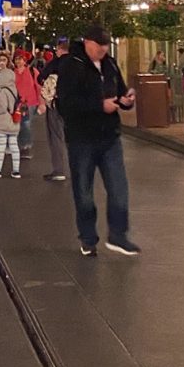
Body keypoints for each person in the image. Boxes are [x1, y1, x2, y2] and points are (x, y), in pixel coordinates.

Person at [55, 25, 139, 256]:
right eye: (99, 45)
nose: (103, 50)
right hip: (82, 138)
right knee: (83, 191)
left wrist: (126, 100)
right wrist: (98, 106)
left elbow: (120, 91)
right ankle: (88, 238)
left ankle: (118, 236)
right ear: (87, 43)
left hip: (109, 136)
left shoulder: (110, 64)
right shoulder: (72, 66)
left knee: (119, 187)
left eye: (106, 46)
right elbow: (66, 104)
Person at [37, 41, 70, 182]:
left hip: (57, 104)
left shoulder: (55, 63)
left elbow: (40, 78)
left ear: (60, 50)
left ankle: (59, 170)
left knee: (56, 136)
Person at [0, 52, 22, 178]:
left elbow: (2, 108)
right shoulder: (15, 90)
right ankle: (16, 170)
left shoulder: (3, 92)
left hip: (3, 122)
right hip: (14, 122)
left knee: (1, 147)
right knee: (14, 146)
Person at [14, 52, 42, 158]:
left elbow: (39, 87)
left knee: (26, 124)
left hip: (30, 103)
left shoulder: (32, 71)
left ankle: (26, 147)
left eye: (20, 59)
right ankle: (18, 146)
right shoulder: (13, 72)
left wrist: (41, 103)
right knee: (17, 125)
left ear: (25, 60)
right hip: (17, 103)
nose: (18, 61)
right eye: (16, 59)